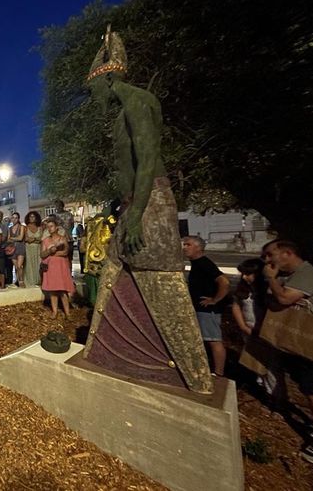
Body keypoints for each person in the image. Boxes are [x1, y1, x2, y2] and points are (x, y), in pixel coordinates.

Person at [80, 26, 213, 394]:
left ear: (106, 80)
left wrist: (137, 214)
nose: (93, 98)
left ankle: (195, 377)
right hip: (134, 204)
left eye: (92, 90)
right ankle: (109, 352)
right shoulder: (123, 112)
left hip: (149, 202)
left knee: (157, 274)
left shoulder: (137, 101)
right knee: (114, 266)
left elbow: (148, 158)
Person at [262, 239, 313, 465]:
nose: (267, 261)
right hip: (305, 344)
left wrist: (270, 278)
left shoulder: (308, 274)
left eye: (270, 255)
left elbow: (284, 298)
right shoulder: (294, 276)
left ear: (287, 253)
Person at [182, 236, 230, 377]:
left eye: (188, 244)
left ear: (198, 247)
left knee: (214, 340)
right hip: (200, 309)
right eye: (184, 244)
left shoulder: (204, 263)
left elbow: (224, 282)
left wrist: (215, 300)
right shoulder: (196, 264)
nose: (184, 247)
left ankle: (218, 373)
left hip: (208, 310)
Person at [231, 258, 278, 395]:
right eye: (243, 274)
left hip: (266, 332)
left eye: (249, 274)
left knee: (271, 365)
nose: (245, 277)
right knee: (256, 361)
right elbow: (236, 306)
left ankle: (275, 395)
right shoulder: (243, 290)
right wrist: (243, 326)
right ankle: (263, 387)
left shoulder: (267, 291)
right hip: (249, 329)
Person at [40, 218, 75, 319]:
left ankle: (67, 313)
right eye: (48, 227)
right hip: (51, 267)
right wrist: (50, 251)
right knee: (52, 291)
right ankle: (54, 311)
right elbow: (42, 254)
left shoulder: (62, 238)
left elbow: (65, 252)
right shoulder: (45, 240)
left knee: (62, 290)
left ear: (56, 228)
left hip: (61, 267)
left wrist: (52, 254)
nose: (49, 229)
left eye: (51, 226)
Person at [53, 200, 75, 270]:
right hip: (58, 240)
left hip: (68, 239)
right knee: (60, 257)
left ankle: (69, 274)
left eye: (59, 205)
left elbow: (72, 225)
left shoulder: (69, 214)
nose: (58, 207)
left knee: (69, 258)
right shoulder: (54, 216)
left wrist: (68, 233)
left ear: (63, 206)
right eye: (56, 206)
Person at [23, 211, 42, 287]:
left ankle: (38, 281)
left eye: (33, 216)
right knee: (29, 265)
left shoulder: (40, 228)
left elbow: (42, 239)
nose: (32, 218)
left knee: (38, 264)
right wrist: (36, 239)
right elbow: (26, 239)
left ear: (36, 218)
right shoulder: (25, 228)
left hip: (38, 248)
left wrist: (33, 239)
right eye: (30, 217)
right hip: (28, 249)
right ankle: (30, 282)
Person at [7, 212, 26, 287]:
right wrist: (15, 238)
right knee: (16, 267)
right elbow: (8, 240)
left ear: (18, 219)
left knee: (19, 266)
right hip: (12, 249)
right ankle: (18, 281)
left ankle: (21, 281)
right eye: (13, 218)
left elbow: (21, 238)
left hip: (20, 248)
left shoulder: (21, 227)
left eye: (16, 218)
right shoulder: (10, 228)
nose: (14, 219)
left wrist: (12, 238)